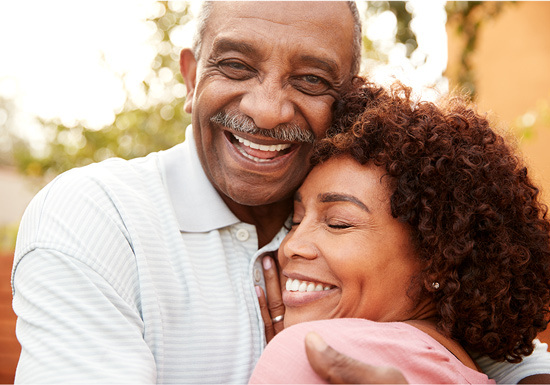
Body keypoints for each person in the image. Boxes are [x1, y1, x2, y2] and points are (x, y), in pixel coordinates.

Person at [9, 1, 550, 383]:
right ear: (191, 75)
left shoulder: (392, 208)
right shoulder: (97, 215)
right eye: (236, 66)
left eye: (311, 80)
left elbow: (503, 357)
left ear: (348, 96)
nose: (266, 110)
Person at [250, 79, 550, 384]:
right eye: (296, 220)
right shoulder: (466, 370)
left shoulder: (312, 355)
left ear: (439, 261)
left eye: (338, 223)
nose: (290, 245)